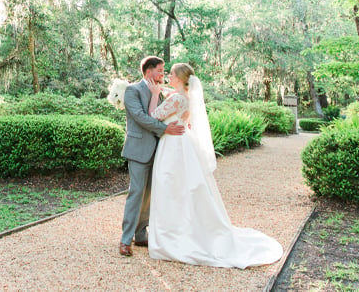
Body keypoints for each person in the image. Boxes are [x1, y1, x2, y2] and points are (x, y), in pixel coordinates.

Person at [146, 63, 284, 268]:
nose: (169, 77)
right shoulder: (188, 97)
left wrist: (154, 95)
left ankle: (174, 233)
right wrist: (163, 92)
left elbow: (153, 116)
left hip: (173, 144)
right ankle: (186, 227)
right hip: (186, 142)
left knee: (171, 186)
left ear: (181, 78)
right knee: (185, 187)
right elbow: (183, 114)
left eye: (172, 74)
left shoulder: (176, 98)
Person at [119, 56, 185, 257]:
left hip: (158, 150)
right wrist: (165, 129)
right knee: (136, 193)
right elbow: (141, 118)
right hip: (138, 150)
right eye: (159, 71)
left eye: (164, 71)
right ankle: (125, 240)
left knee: (148, 195)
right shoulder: (132, 91)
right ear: (148, 71)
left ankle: (140, 234)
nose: (162, 75)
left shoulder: (160, 92)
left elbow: (167, 111)